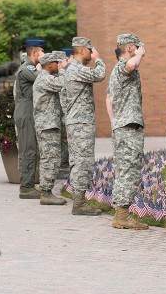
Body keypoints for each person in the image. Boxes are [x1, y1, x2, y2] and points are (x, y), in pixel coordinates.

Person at [106, 34, 149, 230]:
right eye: (137, 47)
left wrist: (114, 121)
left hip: (123, 125)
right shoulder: (122, 66)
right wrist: (139, 55)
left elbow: (108, 98)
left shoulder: (117, 70)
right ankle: (122, 215)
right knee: (129, 171)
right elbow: (131, 65)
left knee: (125, 169)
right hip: (128, 127)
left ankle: (121, 214)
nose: (142, 50)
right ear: (130, 48)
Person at [64, 37, 106, 215]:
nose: (91, 52)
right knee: (83, 162)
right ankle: (79, 203)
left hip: (77, 121)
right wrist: (99, 59)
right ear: (82, 50)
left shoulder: (72, 69)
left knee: (77, 161)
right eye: (90, 50)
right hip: (81, 122)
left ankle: (78, 200)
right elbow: (99, 75)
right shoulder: (76, 69)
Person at [33, 52, 68, 205]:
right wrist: (65, 69)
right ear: (49, 65)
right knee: (50, 158)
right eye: (56, 63)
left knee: (51, 158)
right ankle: (46, 193)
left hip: (49, 124)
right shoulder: (45, 78)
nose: (58, 65)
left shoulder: (45, 77)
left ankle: (46, 189)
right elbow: (63, 83)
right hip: (47, 125)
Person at [14, 38, 45, 199]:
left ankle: (30, 184)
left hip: (28, 111)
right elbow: (42, 80)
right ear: (34, 53)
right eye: (42, 52)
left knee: (31, 148)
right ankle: (26, 187)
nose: (44, 55)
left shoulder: (30, 67)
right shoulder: (26, 68)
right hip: (25, 111)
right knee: (28, 149)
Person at [58, 47, 74, 173]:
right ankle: (63, 167)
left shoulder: (67, 72)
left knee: (66, 140)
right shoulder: (64, 72)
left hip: (66, 111)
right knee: (65, 140)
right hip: (64, 112)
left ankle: (64, 165)